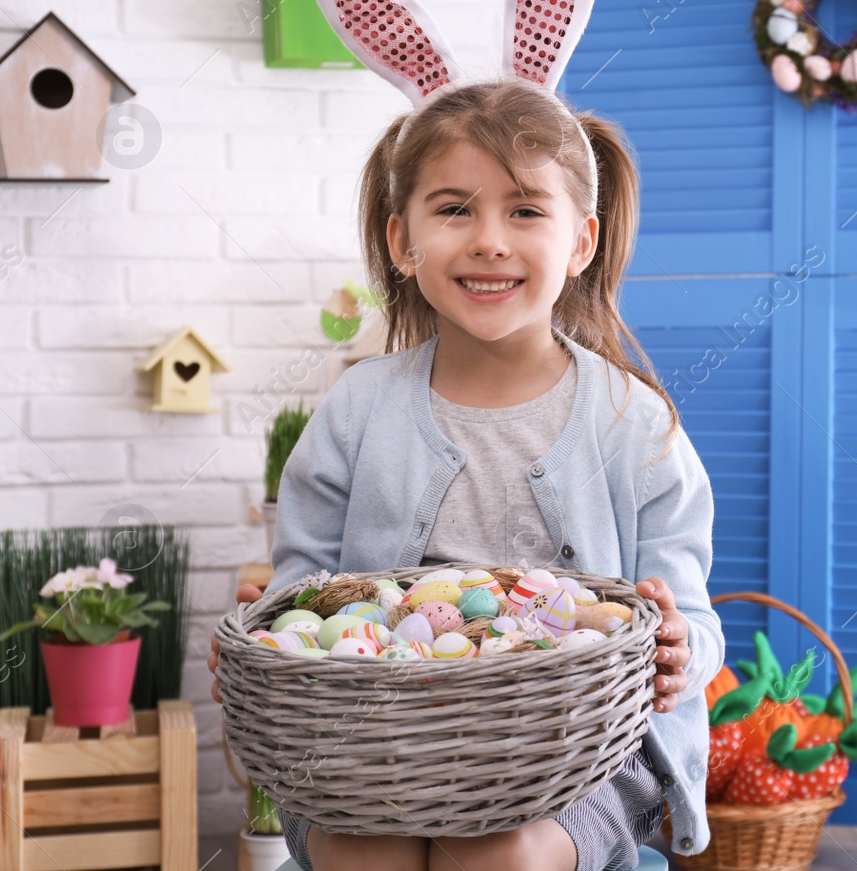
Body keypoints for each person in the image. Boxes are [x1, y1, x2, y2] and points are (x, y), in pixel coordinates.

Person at [207, 70, 725, 870]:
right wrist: (272, 637)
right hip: (368, 752)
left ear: (580, 241)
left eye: (524, 210)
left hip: (586, 759)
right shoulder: (355, 410)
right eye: (454, 209)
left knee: (498, 854)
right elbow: (303, 592)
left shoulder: (636, 425)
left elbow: (694, 621)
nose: (489, 238)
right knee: (359, 852)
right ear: (401, 243)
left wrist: (679, 648)